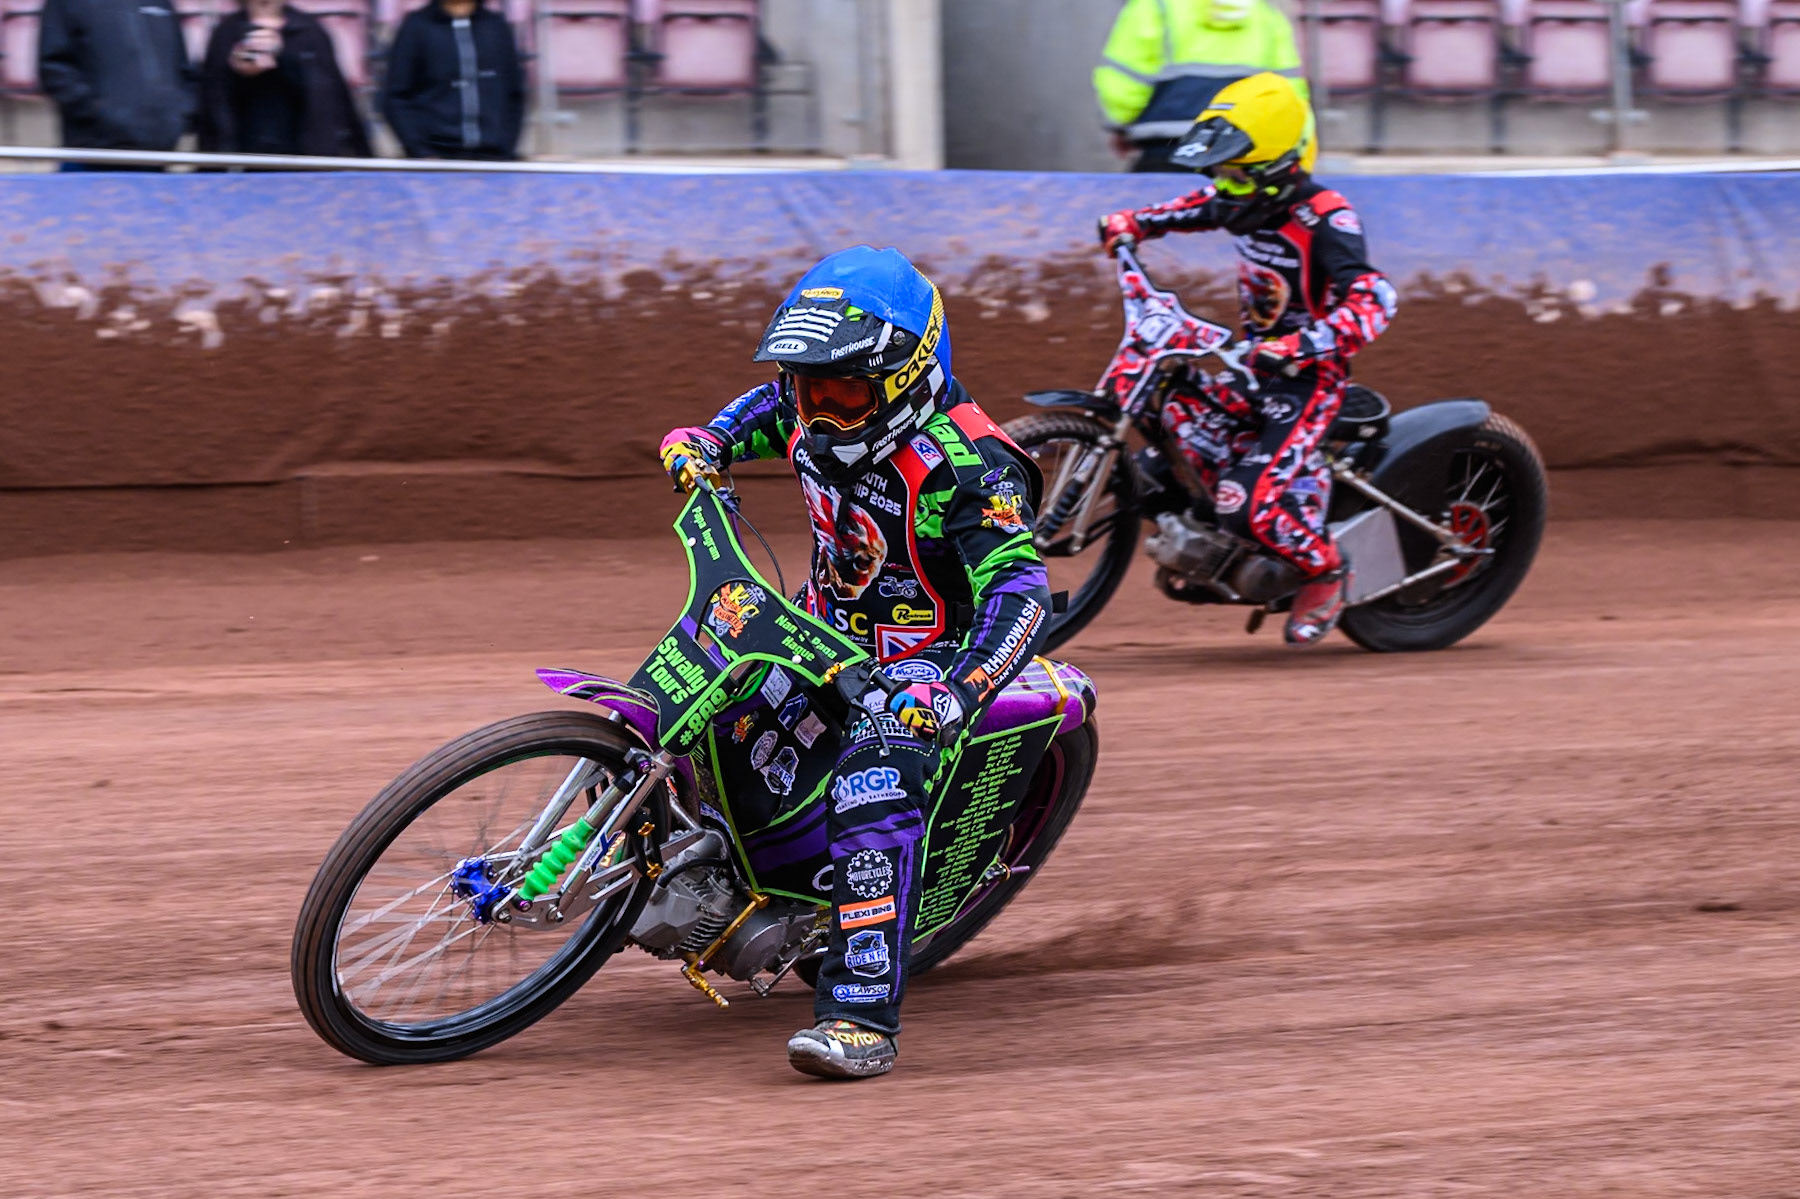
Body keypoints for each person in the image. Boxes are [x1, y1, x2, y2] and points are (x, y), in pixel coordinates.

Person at [658, 246, 1051, 1079]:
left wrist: (961, 688)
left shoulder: (971, 466)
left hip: (924, 666)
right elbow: (757, 410)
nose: (820, 410)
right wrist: (705, 442)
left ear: (908, 374)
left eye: (843, 391)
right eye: (811, 386)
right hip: (819, 631)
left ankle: (861, 1014)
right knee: (690, 701)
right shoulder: (806, 405)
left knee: (871, 788)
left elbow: (1023, 596)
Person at [1098, 72, 1397, 647]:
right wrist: (1137, 222)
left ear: (1276, 169)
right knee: (1169, 434)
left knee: (1245, 499)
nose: (1221, 186)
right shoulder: (1246, 199)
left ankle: (1326, 568)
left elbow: (1375, 299)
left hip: (1309, 380)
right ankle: (1224, 549)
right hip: (1254, 367)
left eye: (1234, 176)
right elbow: (1200, 206)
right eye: (1218, 173)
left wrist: (1301, 345)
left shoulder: (1327, 218)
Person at [1095, 0, 1307, 173]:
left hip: (1167, 144)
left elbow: (1125, 78)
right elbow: (1288, 86)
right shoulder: (1262, 11)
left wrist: (1120, 125)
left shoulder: (1155, 6)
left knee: (1154, 217)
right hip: (1242, 147)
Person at [196, 0, 371, 158]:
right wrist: (238, 70)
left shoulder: (309, 31)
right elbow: (212, 100)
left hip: (304, 151)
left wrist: (282, 54)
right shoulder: (227, 32)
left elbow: (332, 94)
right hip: (244, 152)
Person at [37, 0, 195, 164]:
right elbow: (55, 69)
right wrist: (101, 114)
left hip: (159, 153)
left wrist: (179, 113)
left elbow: (180, 66)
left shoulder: (160, 3)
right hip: (93, 156)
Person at [380, 0, 525, 161]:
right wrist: (421, 152)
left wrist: (505, 146)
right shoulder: (417, 26)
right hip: (435, 160)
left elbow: (514, 94)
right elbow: (396, 96)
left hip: (493, 158)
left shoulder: (495, 26)